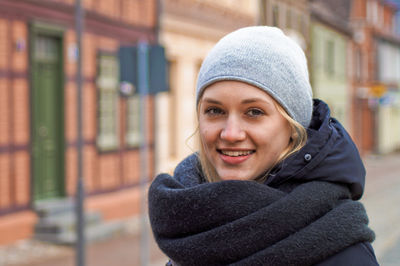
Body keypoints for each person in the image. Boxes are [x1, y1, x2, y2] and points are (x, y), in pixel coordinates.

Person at [148, 26, 378, 266]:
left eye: (254, 112)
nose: (230, 133)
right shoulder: (193, 225)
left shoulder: (342, 251)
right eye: (214, 110)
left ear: (292, 126)